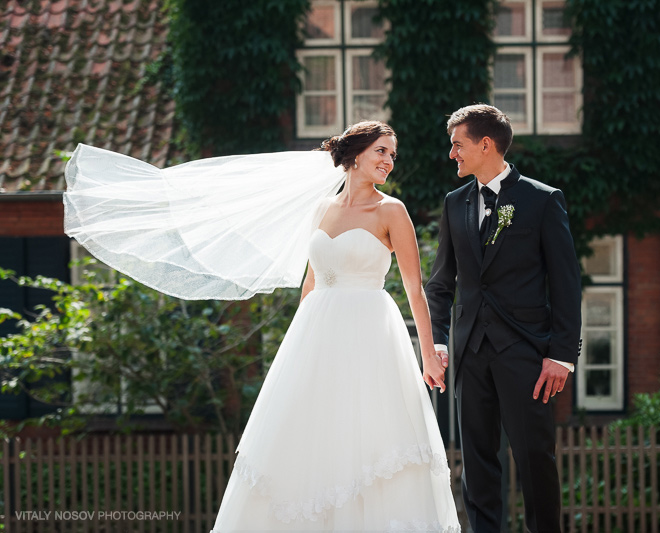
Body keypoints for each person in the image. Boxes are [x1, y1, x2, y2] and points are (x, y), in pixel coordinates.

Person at [64, 122, 460, 531]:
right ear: (355, 155)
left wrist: (428, 352)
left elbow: (415, 287)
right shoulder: (320, 209)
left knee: (372, 431)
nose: (388, 161)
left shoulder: (391, 210)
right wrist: (298, 346)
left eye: (392, 154)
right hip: (318, 330)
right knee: (311, 430)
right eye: (381, 151)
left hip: (371, 331)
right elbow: (311, 280)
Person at [425, 104, 582, 533]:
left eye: (458, 145)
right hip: (470, 351)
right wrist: (436, 341)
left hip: (527, 353)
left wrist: (562, 355)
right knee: (476, 461)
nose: (452, 154)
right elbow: (441, 283)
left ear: (485, 144)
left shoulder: (542, 200)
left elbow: (566, 284)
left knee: (534, 456)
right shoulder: (455, 203)